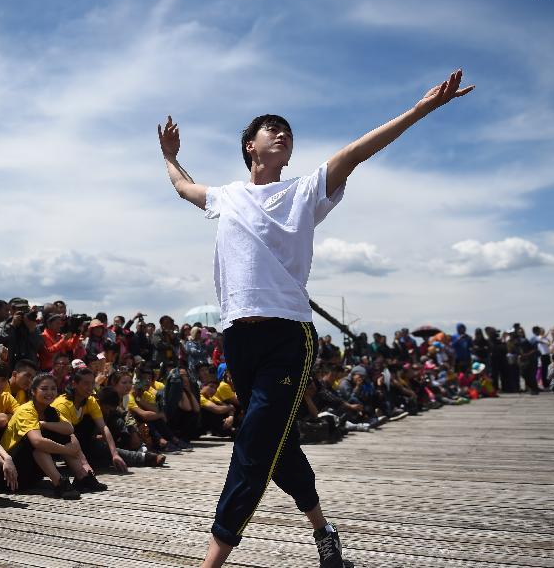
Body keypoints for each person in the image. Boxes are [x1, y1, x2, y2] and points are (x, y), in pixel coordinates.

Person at [158, 67, 473, 567]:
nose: (282, 133)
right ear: (250, 147)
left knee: (253, 446)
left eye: (288, 131)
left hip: (288, 336)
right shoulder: (227, 196)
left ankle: (211, 561)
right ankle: (324, 532)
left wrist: (420, 110)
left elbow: (358, 151)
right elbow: (183, 188)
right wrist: (171, 156)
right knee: (277, 442)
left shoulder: (304, 191)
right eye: (271, 129)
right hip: (237, 337)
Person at [0, 373, 106, 499]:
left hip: (30, 472)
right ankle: (59, 483)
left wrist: (43, 424)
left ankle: (82, 476)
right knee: (38, 443)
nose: (49, 392)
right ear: (33, 391)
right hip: (9, 474)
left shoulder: (50, 410)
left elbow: (69, 428)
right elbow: (37, 442)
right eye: (44, 389)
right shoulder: (26, 410)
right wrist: (68, 450)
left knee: (66, 435)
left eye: (53, 389)